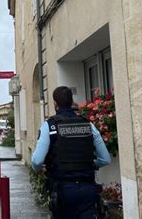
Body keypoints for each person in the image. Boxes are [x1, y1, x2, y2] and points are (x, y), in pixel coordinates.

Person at [31, 86, 111, 218]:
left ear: (55, 103)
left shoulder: (50, 126)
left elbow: (37, 160)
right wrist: (90, 164)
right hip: (87, 191)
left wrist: (39, 169)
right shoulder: (87, 125)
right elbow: (105, 159)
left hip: (62, 192)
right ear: (71, 101)